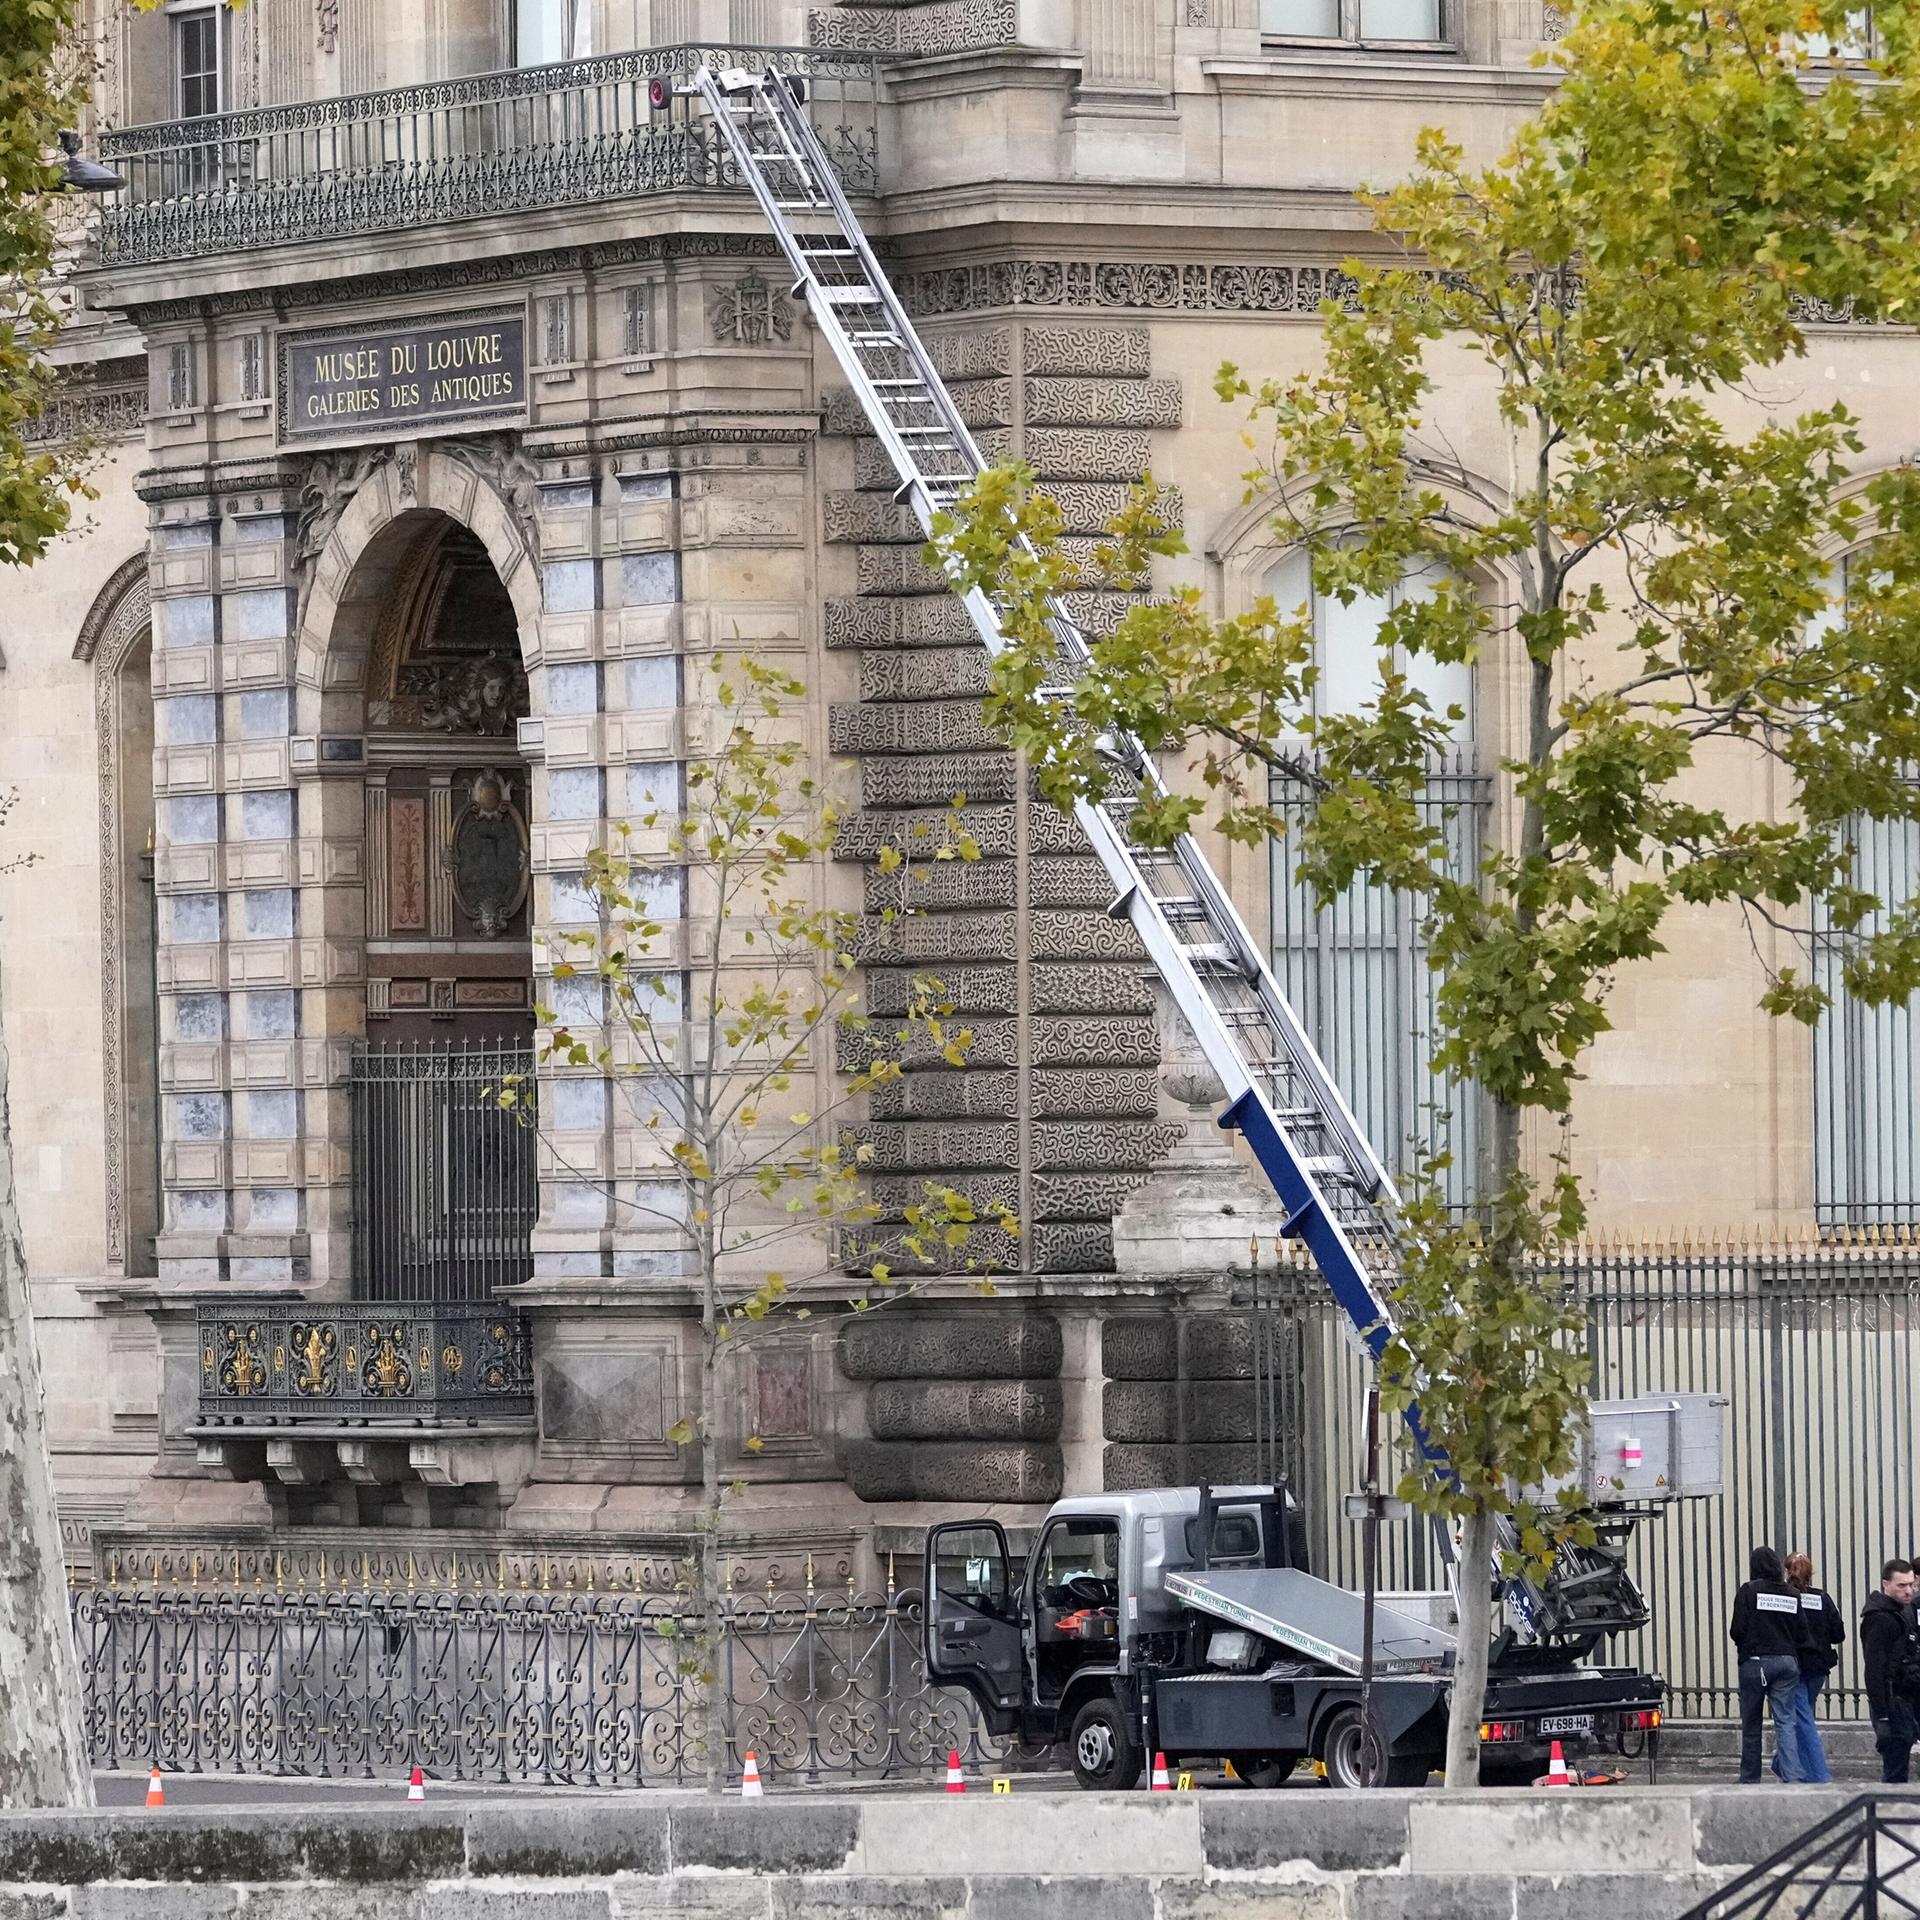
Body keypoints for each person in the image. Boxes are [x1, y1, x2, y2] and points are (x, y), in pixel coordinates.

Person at [1729, 1545, 1809, 1783]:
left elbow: (1736, 1630)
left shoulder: (1748, 1591)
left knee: (1752, 1723)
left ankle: (1750, 1778)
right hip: (1787, 1662)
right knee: (1785, 1721)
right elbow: (1802, 1633)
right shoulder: (1793, 1594)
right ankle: (1792, 1776)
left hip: (1755, 1664)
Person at [1772, 1552, 1844, 1784]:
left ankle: (1818, 1774)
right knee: (1801, 1717)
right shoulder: (1822, 1598)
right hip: (1819, 1667)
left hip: (1795, 1666)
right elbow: (1838, 1633)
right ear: (1811, 1573)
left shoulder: (1785, 1597)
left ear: (1786, 1571)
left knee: (1802, 1721)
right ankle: (1782, 1763)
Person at [1863, 1559, 1920, 1783]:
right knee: (1895, 1771)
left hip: (1906, 1698)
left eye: (1910, 1585)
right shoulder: (1879, 1619)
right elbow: (1875, 1669)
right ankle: (1889, 1814)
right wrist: (1883, 1714)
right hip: (1891, 1700)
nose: (1908, 1591)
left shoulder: (1902, 1613)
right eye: (1901, 1586)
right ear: (1886, 1584)